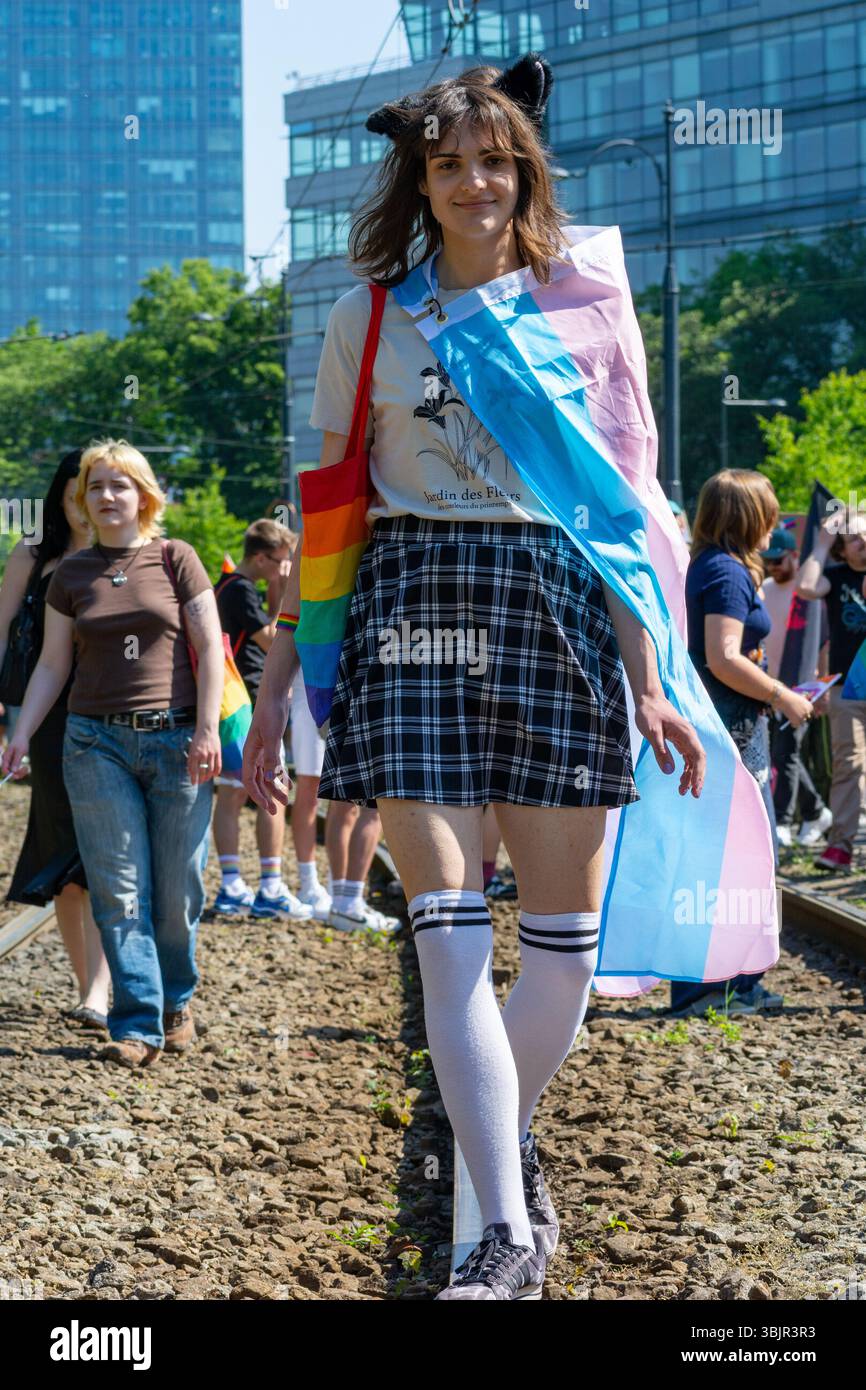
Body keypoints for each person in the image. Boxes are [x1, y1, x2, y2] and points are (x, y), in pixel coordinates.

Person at [241, 55, 706, 1300]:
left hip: (552, 599)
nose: (471, 182)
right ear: (420, 180)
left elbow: (617, 509)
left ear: (523, 170)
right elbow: (331, 505)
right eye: (446, 164)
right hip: (410, 609)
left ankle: (490, 1147)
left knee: (560, 943)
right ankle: (498, 1226)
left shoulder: (586, 310)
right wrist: (283, 675)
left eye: (492, 160)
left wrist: (649, 674)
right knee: (446, 937)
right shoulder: (370, 316)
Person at [2, 439, 223, 1069]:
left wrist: (207, 729)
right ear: (82, 499)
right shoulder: (70, 576)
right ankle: (136, 1021)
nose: (106, 495)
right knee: (118, 889)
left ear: (144, 494)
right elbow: (52, 663)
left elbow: (211, 650)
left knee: (176, 888)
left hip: (177, 738)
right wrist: (21, 732)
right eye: (95, 486)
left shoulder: (178, 559)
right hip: (93, 742)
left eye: (119, 485)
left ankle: (177, 998)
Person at [670, 470, 813, 1019]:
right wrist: (782, 696)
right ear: (749, 517)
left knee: (719, 863)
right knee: (737, 861)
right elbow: (723, 656)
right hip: (732, 732)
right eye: (769, 513)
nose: (775, 525)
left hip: (725, 728)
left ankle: (721, 986)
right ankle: (722, 988)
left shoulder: (709, 564)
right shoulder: (727, 573)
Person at [0, 450, 111, 1029]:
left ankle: (110, 982)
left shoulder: (124, 552)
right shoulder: (31, 554)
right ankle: (89, 988)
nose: (90, 506)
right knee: (64, 855)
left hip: (110, 715)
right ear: (61, 495)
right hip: (47, 721)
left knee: (105, 854)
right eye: (78, 494)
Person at [212, 518, 313, 921]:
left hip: (231, 698)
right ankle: (269, 888)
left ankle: (232, 884)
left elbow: (266, 631)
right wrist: (287, 590)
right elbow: (274, 639)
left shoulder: (227, 587)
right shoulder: (239, 590)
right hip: (247, 698)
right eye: (281, 560)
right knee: (270, 789)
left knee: (231, 793)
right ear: (260, 557)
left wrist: (276, 587)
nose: (285, 566)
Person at [796, 506, 866, 871]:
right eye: (855, 537)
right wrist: (821, 543)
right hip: (849, 689)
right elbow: (806, 587)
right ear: (842, 549)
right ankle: (841, 845)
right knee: (848, 763)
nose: (863, 542)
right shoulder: (836, 577)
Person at [761, 525, 832, 849]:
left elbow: (822, 640)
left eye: (779, 560)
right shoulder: (765, 586)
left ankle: (784, 820)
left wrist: (822, 683)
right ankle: (815, 810)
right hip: (771, 685)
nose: (774, 567)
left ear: (793, 555)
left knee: (786, 751)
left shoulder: (806, 593)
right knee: (783, 752)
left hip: (803, 685)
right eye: (769, 561)